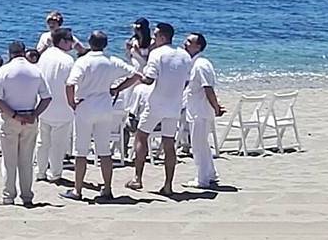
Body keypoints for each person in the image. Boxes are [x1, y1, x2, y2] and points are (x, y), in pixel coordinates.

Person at [60, 31, 142, 201]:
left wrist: (71, 103)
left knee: (80, 151)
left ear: (90, 43)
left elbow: (70, 84)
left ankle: (78, 190)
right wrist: (117, 89)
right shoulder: (111, 61)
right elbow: (136, 75)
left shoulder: (83, 62)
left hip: (85, 106)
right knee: (104, 151)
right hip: (104, 106)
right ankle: (107, 188)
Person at [126, 23, 192, 196]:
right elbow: (186, 81)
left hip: (156, 103)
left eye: (156, 36)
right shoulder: (184, 55)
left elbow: (149, 79)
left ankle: (137, 178)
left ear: (163, 37)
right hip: (174, 104)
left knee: (141, 136)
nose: (153, 39)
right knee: (169, 143)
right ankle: (168, 184)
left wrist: (136, 77)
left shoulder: (157, 53)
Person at [0, 41, 52, 206]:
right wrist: (35, 114)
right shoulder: (35, 70)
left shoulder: (4, 71)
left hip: (11, 118)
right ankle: (27, 195)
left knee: (9, 160)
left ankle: (8, 195)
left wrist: (14, 115)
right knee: (26, 160)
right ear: (24, 52)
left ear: (9, 53)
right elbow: (47, 97)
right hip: (30, 117)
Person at [182, 33, 226, 188]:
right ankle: (211, 174)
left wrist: (216, 107)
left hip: (200, 111)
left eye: (189, 41)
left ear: (198, 46)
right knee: (202, 144)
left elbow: (208, 88)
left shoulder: (200, 64)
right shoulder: (197, 63)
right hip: (198, 109)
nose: (185, 43)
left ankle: (202, 179)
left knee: (198, 146)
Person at [34, 28, 75, 183]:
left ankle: (40, 171)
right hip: (62, 106)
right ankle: (55, 173)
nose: (72, 43)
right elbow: (71, 84)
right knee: (58, 144)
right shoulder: (67, 60)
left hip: (44, 104)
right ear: (63, 41)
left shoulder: (44, 56)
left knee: (42, 141)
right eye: (70, 40)